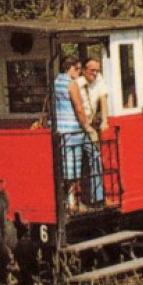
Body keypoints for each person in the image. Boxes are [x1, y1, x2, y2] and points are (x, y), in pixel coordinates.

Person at [53, 55, 91, 209]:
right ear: (71, 68)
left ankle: (66, 199)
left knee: (63, 163)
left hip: (59, 128)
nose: (79, 73)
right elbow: (78, 107)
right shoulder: (71, 83)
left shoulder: (55, 81)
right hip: (73, 128)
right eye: (78, 69)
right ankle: (73, 200)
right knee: (76, 163)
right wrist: (86, 126)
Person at [79, 58, 109, 204]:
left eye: (97, 70)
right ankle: (77, 199)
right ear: (84, 70)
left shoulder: (99, 80)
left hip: (89, 125)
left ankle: (97, 198)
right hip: (78, 126)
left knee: (95, 157)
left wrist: (104, 120)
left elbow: (103, 99)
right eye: (92, 70)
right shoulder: (77, 83)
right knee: (77, 161)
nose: (95, 73)